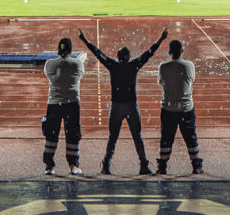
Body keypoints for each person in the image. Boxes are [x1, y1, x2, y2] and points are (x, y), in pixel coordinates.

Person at [78, 27, 168, 175]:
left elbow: (98, 53)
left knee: (113, 137)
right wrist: (161, 38)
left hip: (116, 106)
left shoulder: (113, 66)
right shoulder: (134, 66)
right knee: (137, 136)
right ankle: (143, 164)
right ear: (129, 57)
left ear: (118, 57)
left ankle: (106, 164)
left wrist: (85, 40)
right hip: (131, 105)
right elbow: (149, 53)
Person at [156, 38, 203, 175]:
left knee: (166, 137)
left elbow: (161, 82)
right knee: (191, 137)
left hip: (168, 108)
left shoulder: (163, 67)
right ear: (182, 51)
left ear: (169, 51)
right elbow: (191, 80)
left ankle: (162, 166)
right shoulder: (189, 65)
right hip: (186, 108)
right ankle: (196, 165)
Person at [42, 36, 85, 175]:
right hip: (72, 104)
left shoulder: (49, 64)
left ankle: (49, 166)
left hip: (54, 104)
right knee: (73, 135)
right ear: (70, 50)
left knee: (51, 135)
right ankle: (73, 165)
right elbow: (77, 73)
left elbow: (52, 74)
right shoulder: (77, 64)